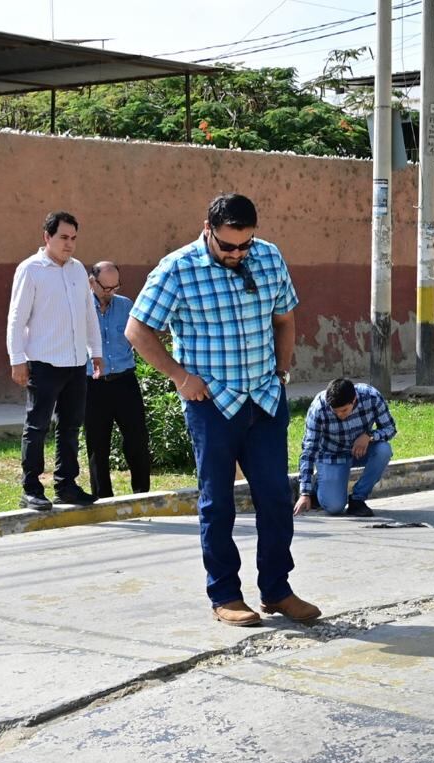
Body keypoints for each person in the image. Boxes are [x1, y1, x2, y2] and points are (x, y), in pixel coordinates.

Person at [125, 193, 320, 627]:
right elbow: (137, 329)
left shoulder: (268, 258)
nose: (237, 254)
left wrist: (283, 370)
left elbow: (284, 318)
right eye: (228, 246)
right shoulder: (178, 268)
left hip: (264, 399)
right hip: (211, 403)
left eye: (244, 245)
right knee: (218, 503)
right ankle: (225, 595)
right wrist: (179, 376)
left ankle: (277, 590)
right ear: (208, 229)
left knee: (274, 497)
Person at [6, 211, 103, 511]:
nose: (69, 244)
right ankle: (31, 488)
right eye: (63, 237)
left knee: (71, 426)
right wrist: (17, 359)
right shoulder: (31, 269)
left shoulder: (77, 271)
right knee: (37, 426)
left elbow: (89, 313)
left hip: (75, 363)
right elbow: (16, 317)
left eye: (73, 238)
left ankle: (67, 485)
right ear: (47, 237)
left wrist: (95, 351)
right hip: (44, 362)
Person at [84, 261, 151, 499]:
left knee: (137, 440)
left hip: (124, 381)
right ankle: (103, 497)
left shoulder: (125, 306)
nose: (111, 292)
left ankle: (142, 494)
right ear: (92, 282)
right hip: (92, 384)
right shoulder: (80, 307)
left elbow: (139, 336)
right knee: (97, 444)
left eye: (116, 287)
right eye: (106, 287)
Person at [293, 378, 396, 518]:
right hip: (331, 455)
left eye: (344, 410)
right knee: (334, 507)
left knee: (383, 450)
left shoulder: (371, 397)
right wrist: (304, 492)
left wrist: (369, 436)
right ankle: (317, 489)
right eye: (335, 411)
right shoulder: (318, 408)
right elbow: (309, 450)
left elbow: (390, 428)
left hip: (361, 450)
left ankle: (357, 499)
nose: (340, 415)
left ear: (354, 400)